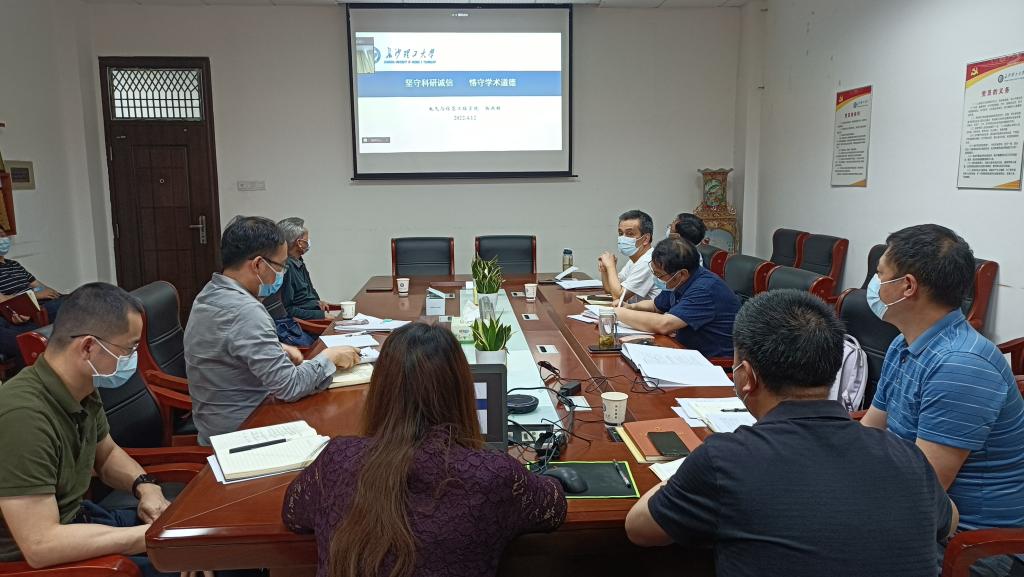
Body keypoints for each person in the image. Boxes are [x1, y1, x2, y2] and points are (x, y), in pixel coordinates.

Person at [625, 289, 958, 577]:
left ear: (746, 376)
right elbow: (950, 520)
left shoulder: (724, 459)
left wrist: (683, 472)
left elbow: (639, 529)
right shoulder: (905, 455)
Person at [283, 322, 566, 577]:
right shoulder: (492, 474)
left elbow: (293, 514)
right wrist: (545, 475)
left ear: (380, 390)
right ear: (461, 390)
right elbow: (553, 508)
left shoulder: (337, 458)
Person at [860, 224, 1024, 577]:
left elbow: (923, 492)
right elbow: (870, 431)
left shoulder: (961, 366)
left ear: (907, 286)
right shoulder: (904, 343)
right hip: (923, 516)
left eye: (879, 274)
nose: (873, 285)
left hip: (975, 547)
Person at [0, 283, 174, 577]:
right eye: (129, 348)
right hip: (46, 562)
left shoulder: (81, 387)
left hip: (81, 522)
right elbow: (40, 545)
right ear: (89, 347)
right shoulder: (24, 416)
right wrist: (152, 538)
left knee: (209, 544)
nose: (133, 357)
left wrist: (146, 487)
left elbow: (106, 454)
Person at [184, 216, 361, 445]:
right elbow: (290, 387)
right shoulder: (246, 311)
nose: (282, 273)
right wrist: (329, 357)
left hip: (220, 424)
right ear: (258, 264)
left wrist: (276, 347)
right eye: (281, 265)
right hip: (245, 433)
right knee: (344, 433)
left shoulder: (210, 293)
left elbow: (226, 344)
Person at [614, 237, 738, 358]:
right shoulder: (678, 280)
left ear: (682, 274)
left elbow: (664, 324)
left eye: (659, 275)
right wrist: (630, 307)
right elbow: (655, 306)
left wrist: (618, 313)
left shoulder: (705, 289)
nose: (656, 278)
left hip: (712, 362)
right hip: (683, 349)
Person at [0, 230, 63, 363]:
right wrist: (34, 295)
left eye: (2, 235)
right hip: (22, 308)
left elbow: (41, 287)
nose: (2, 239)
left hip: (37, 304)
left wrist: (41, 293)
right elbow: (4, 300)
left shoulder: (14, 265)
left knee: (77, 299)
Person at [277, 217, 335, 321]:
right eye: (307, 239)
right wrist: (321, 316)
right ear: (299, 243)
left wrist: (317, 302)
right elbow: (288, 310)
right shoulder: (287, 268)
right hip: (305, 323)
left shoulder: (299, 261)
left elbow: (309, 293)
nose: (309, 241)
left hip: (314, 314)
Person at [597, 210, 660, 302]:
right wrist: (605, 270)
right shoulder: (634, 259)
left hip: (647, 311)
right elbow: (610, 290)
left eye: (630, 234)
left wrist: (611, 266)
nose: (623, 238)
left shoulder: (648, 261)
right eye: (620, 233)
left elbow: (618, 297)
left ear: (646, 239)